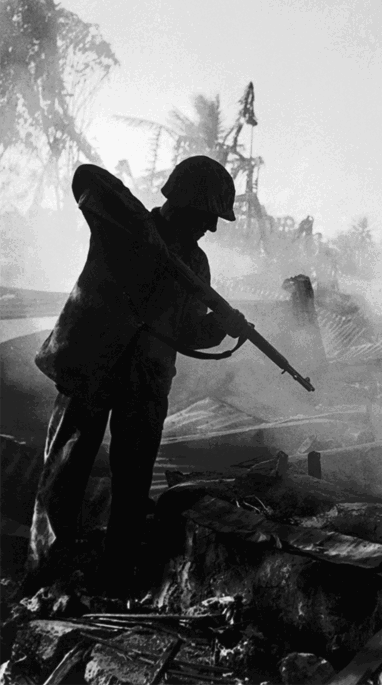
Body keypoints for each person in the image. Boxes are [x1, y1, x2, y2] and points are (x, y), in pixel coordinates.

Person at [28, 155, 247, 597]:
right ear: (186, 201)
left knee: (132, 488)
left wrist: (221, 328)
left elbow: (183, 331)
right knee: (64, 473)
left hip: (143, 384)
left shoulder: (196, 265)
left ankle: (114, 580)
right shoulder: (122, 227)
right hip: (90, 365)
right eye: (209, 214)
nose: (213, 228)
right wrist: (148, 238)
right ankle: (47, 572)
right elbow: (86, 178)